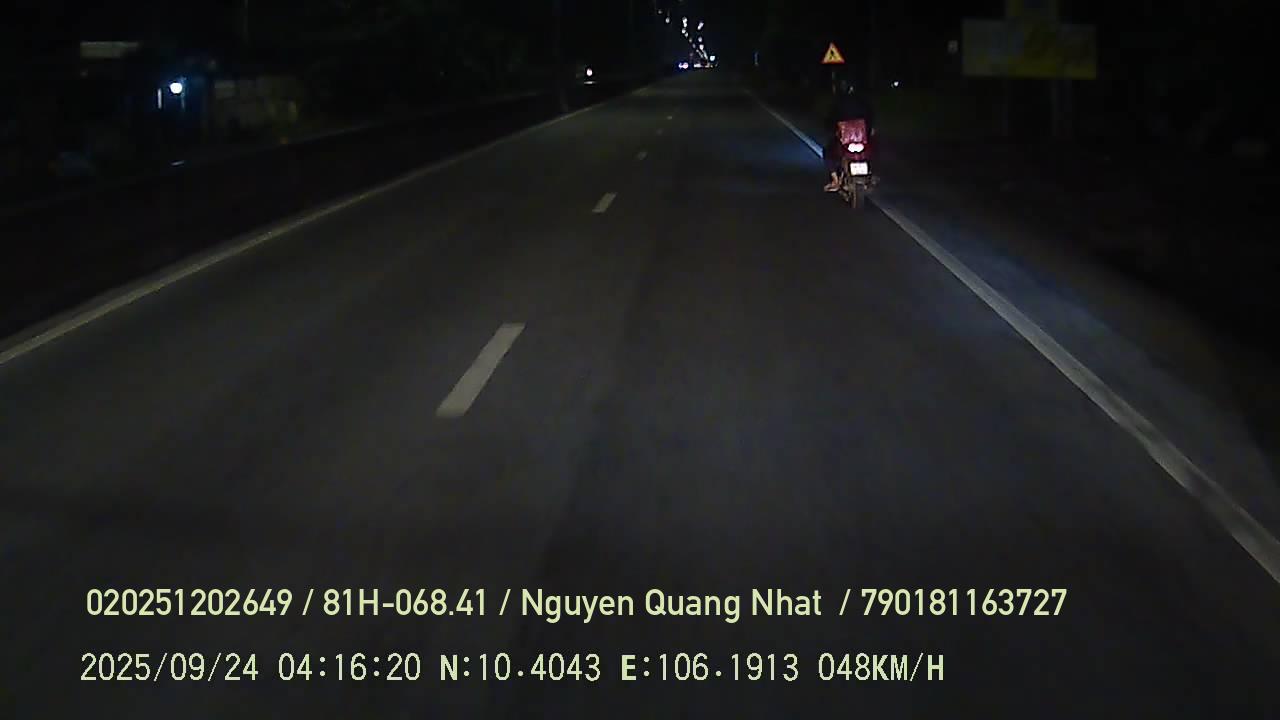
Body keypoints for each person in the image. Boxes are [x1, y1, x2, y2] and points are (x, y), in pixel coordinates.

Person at [822, 74, 876, 192]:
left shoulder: (839, 102)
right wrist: (870, 129)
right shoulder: (863, 101)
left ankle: (835, 180)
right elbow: (870, 116)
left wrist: (830, 127)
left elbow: (831, 118)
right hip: (861, 137)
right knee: (872, 150)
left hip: (847, 137)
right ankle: (871, 175)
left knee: (828, 152)